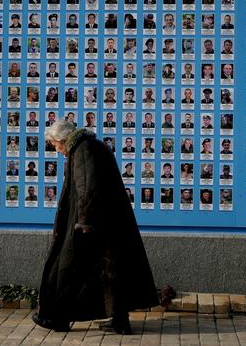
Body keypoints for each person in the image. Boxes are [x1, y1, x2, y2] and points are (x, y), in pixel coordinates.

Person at [35, 120, 157, 334]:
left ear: (63, 139)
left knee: (67, 270)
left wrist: (83, 222)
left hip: (92, 224)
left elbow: (87, 188)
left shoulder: (82, 150)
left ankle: (58, 318)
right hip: (109, 222)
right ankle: (120, 320)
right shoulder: (91, 146)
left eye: (55, 144)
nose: (56, 149)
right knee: (111, 272)